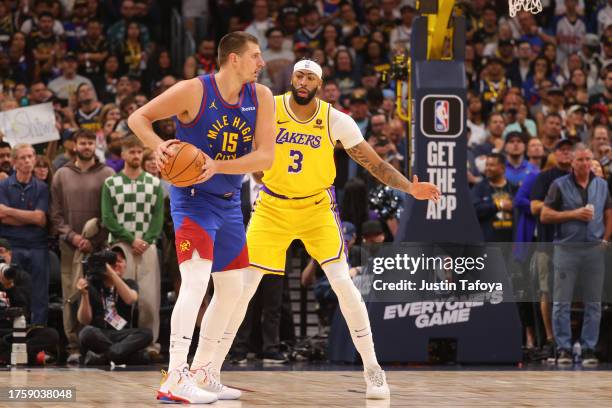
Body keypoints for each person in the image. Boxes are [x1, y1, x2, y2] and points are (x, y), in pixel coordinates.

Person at [199, 60, 440, 400]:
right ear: (292, 78)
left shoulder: (335, 119)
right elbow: (251, 151)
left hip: (316, 208)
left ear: (321, 84)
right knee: (242, 288)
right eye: (299, 75)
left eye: (310, 77)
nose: (303, 81)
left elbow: (375, 164)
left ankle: (373, 369)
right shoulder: (270, 106)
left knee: (344, 284)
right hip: (272, 206)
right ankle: (211, 372)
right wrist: (257, 176)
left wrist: (410, 188)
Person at [128, 31, 275, 404]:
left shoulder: (261, 97)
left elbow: (264, 158)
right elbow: (138, 118)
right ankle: (174, 378)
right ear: (233, 59)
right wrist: (160, 146)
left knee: (233, 289)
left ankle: (205, 372)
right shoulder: (194, 90)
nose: (261, 63)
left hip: (228, 202)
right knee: (195, 282)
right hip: (192, 200)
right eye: (255, 56)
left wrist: (217, 165)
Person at [541, 145, 612, 366]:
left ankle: (589, 348)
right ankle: (563, 348)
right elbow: (544, 215)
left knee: (594, 302)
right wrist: (573, 214)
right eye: (580, 159)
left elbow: (609, 213)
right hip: (566, 249)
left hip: (593, 249)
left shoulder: (601, 184)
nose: (584, 163)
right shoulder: (558, 185)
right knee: (561, 300)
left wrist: (605, 239)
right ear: (572, 162)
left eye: (588, 159)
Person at [50, 129, 115, 364]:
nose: (86, 146)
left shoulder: (108, 173)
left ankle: (98, 345)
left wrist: (94, 240)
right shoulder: (61, 174)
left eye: (90, 142)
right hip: (70, 247)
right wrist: (74, 237)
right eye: (82, 142)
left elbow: (111, 214)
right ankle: (73, 347)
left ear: (95, 145)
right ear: (74, 146)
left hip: (99, 247)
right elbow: (55, 215)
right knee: (72, 295)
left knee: (99, 296)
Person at [101, 135, 164, 357]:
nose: (136, 155)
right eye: (132, 151)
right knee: (119, 297)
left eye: (139, 151)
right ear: (123, 154)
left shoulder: (155, 183)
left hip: (147, 246)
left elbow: (158, 218)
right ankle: (119, 342)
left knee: (149, 299)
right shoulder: (111, 183)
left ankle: (151, 345)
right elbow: (107, 218)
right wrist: (130, 238)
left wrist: (146, 239)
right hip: (120, 246)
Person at [75, 247, 152, 366]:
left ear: (126, 265)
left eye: (120, 261)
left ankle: (104, 358)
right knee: (86, 332)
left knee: (147, 333)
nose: (116, 264)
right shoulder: (92, 284)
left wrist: (111, 273)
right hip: (99, 334)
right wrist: (85, 295)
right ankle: (120, 355)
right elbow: (84, 320)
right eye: (112, 262)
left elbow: (130, 299)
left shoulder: (129, 283)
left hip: (122, 335)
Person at [0, 144, 50, 326]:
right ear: (14, 162)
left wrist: (10, 211)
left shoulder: (42, 187)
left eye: (30, 156)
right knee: (12, 289)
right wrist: (30, 217)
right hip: (11, 246)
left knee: (39, 294)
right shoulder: (3, 186)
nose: (28, 161)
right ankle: (12, 333)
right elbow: (1, 216)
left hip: (37, 245)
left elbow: (40, 219)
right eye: (23, 157)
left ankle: (37, 333)